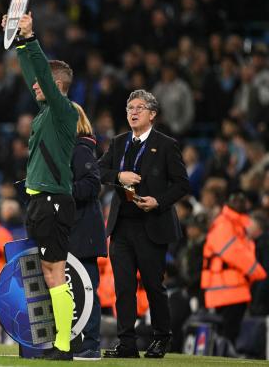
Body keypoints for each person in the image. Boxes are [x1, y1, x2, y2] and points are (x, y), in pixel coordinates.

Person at [3, 12, 79, 361]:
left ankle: (64, 344)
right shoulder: (46, 112)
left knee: (54, 273)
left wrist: (31, 38)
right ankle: (59, 341)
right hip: (41, 201)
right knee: (49, 272)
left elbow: (41, 78)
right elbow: (33, 74)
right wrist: (19, 40)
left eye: (43, 81)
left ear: (57, 84)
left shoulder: (63, 111)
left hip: (53, 201)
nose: (34, 84)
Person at [99, 89, 190, 358]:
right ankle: (126, 342)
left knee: (153, 285)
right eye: (129, 108)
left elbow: (182, 184)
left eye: (139, 107)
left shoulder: (165, 144)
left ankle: (162, 338)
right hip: (122, 226)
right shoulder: (118, 143)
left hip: (152, 224)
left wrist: (158, 202)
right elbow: (97, 170)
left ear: (152, 114)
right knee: (124, 287)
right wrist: (119, 175)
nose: (133, 112)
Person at [68, 102, 107, 360]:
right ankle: (75, 341)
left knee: (87, 288)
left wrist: (60, 192)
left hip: (84, 230)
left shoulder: (81, 149)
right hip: (73, 228)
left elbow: (93, 185)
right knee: (74, 288)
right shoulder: (71, 149)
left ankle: (91, 344)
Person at [201, 193, 267, 343]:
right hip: (228, 288)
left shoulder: (236, 224)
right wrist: (259, 272)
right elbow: (235, 254)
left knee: (229, 331)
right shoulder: (225, 224)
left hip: (233, 287)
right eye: (237, 202)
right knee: (228, 332)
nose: (240, 204)